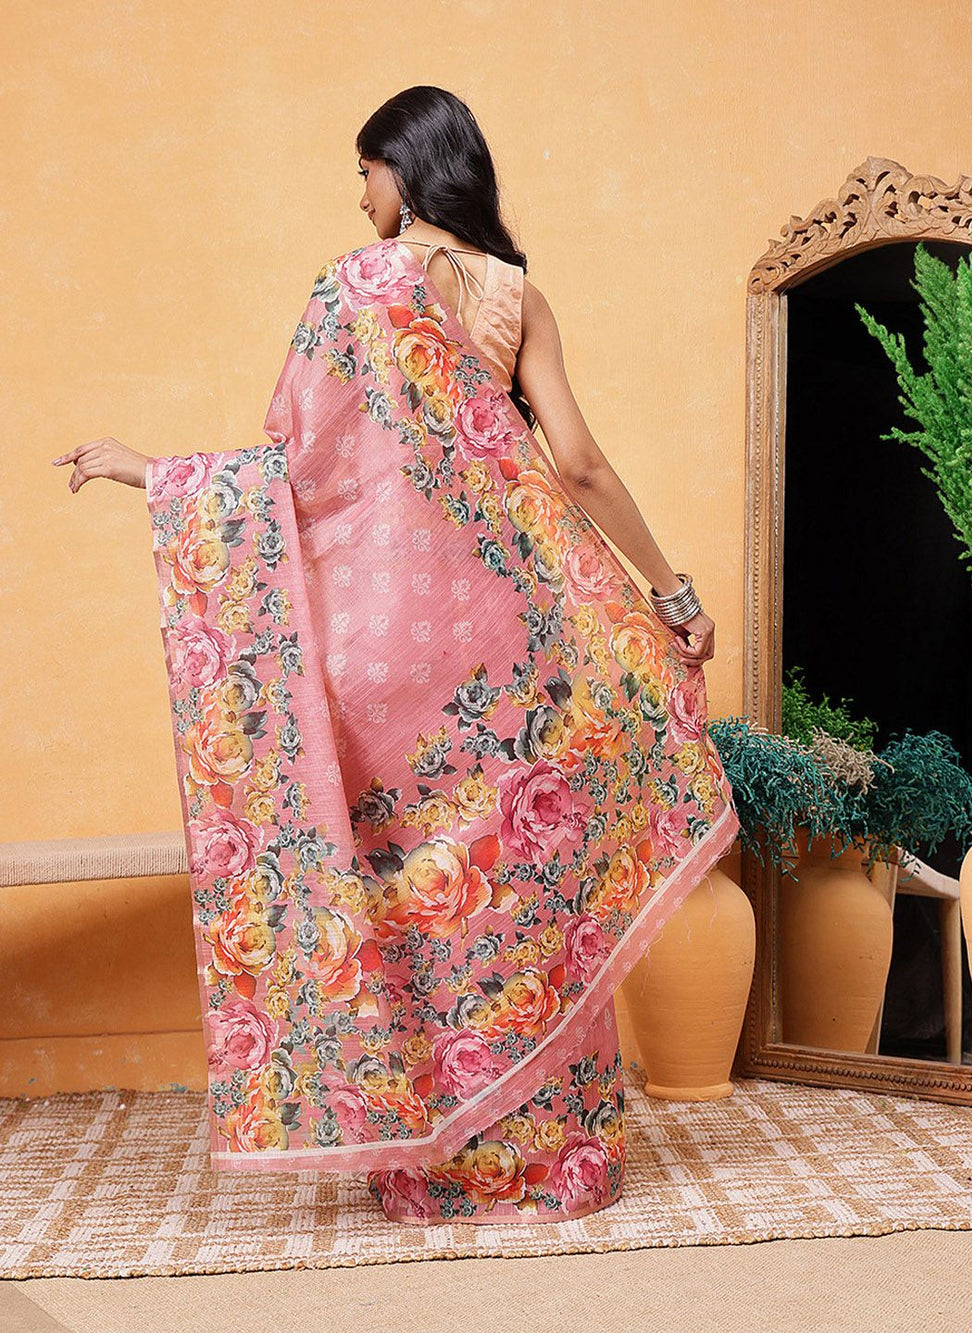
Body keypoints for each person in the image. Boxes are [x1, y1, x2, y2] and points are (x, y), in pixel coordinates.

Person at [52, 85, 739, 1225]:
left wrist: (156, 473)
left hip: (383, 667)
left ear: (403, 170)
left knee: (422, 902)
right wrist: (668, 592)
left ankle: (434, 1163)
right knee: (527, 885)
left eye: (365, 170)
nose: (360, 194)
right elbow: (575, 462)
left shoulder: (349, 289)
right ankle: (553, 1163)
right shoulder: (519, 297)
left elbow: (291, 473)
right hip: (527, 659)